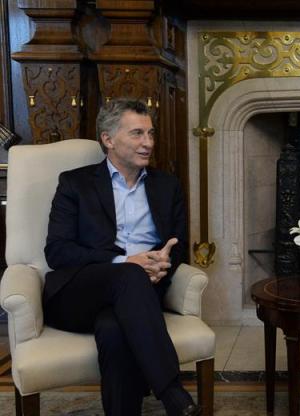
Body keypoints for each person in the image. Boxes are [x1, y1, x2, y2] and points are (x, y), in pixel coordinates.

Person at [42, 98, 201, 416]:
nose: (148, 143)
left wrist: (161, 268)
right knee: (129, 274)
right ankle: (171, 391)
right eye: (137, 134)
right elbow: (57, 251)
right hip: (78, 295)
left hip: (139, 294)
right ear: (108, 139)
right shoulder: (75, 184)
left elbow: (178, 244)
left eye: (151, 134)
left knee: (114, 331)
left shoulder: (167, 186)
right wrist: (124, 264)